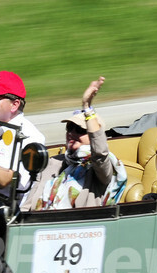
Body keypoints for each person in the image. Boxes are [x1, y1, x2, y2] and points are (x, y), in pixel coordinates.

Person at [20, 77, 127, 211]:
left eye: (80, 130)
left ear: (94, 136)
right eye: (69, 128)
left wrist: (87, 108)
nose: (72, 133)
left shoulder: (100, 169)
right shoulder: (53, 163)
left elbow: (99, 153)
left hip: (80, 227)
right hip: (41, 224)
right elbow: (29, 203)